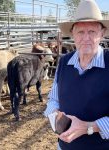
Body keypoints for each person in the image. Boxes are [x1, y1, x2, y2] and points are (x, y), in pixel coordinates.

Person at [44, 0, 109, 150]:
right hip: (64, 146)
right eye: (80, 32)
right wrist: (55, 116)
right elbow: (53, 99)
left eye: (92, 31)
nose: (86, 38)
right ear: (72, 34)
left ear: (102, 33)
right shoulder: (64, 62)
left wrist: (89, 127)